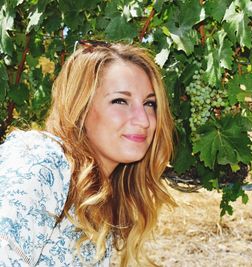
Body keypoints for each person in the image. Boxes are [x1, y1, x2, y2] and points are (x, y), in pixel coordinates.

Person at [0, 41, 175, 266]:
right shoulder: (39, 161)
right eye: (120, 101)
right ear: (81, 108)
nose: (143, 120)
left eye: (149, 104)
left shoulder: (100, 198)